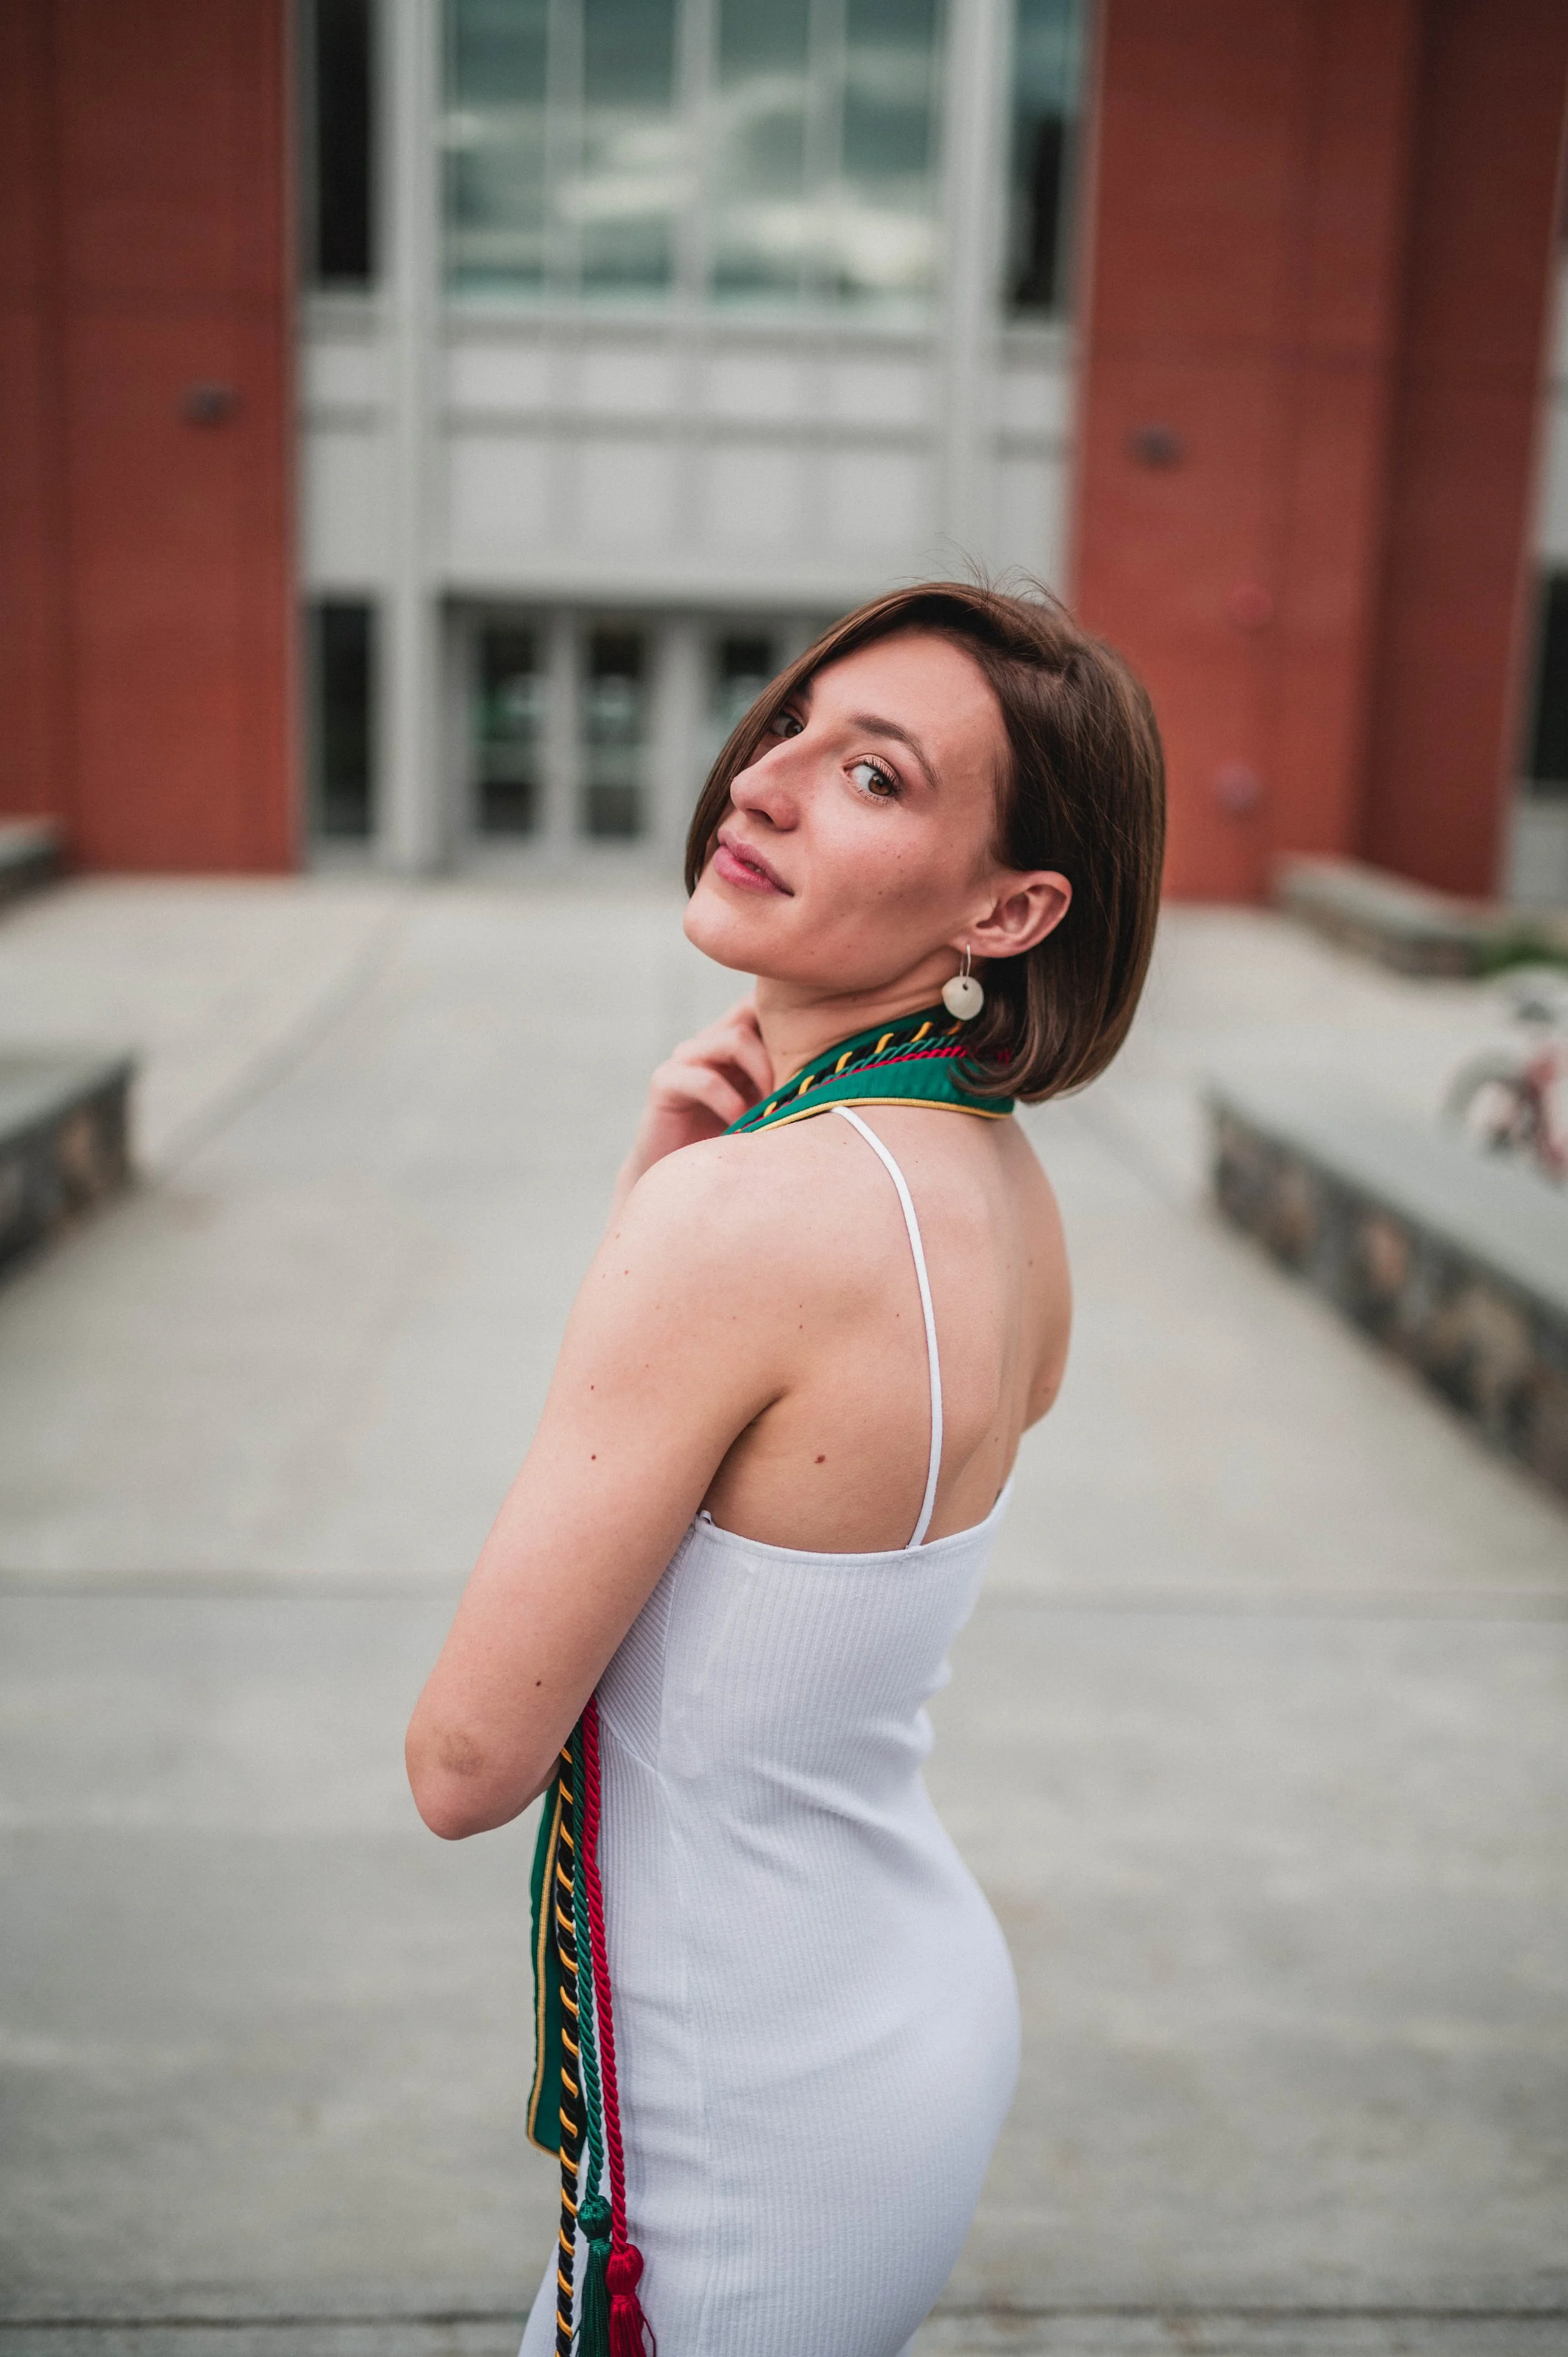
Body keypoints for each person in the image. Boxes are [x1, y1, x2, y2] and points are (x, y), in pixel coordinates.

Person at [406, 582, 1165, 2357]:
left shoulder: (753, 1213)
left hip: (741, 2121)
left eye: (875, 776)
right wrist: (653, 1215)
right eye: (790, 730)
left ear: (1010, 907)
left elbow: (464, 1759)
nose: (763, 780)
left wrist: (663, 1231)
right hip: (878, 2015)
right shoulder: (1005, 1193)